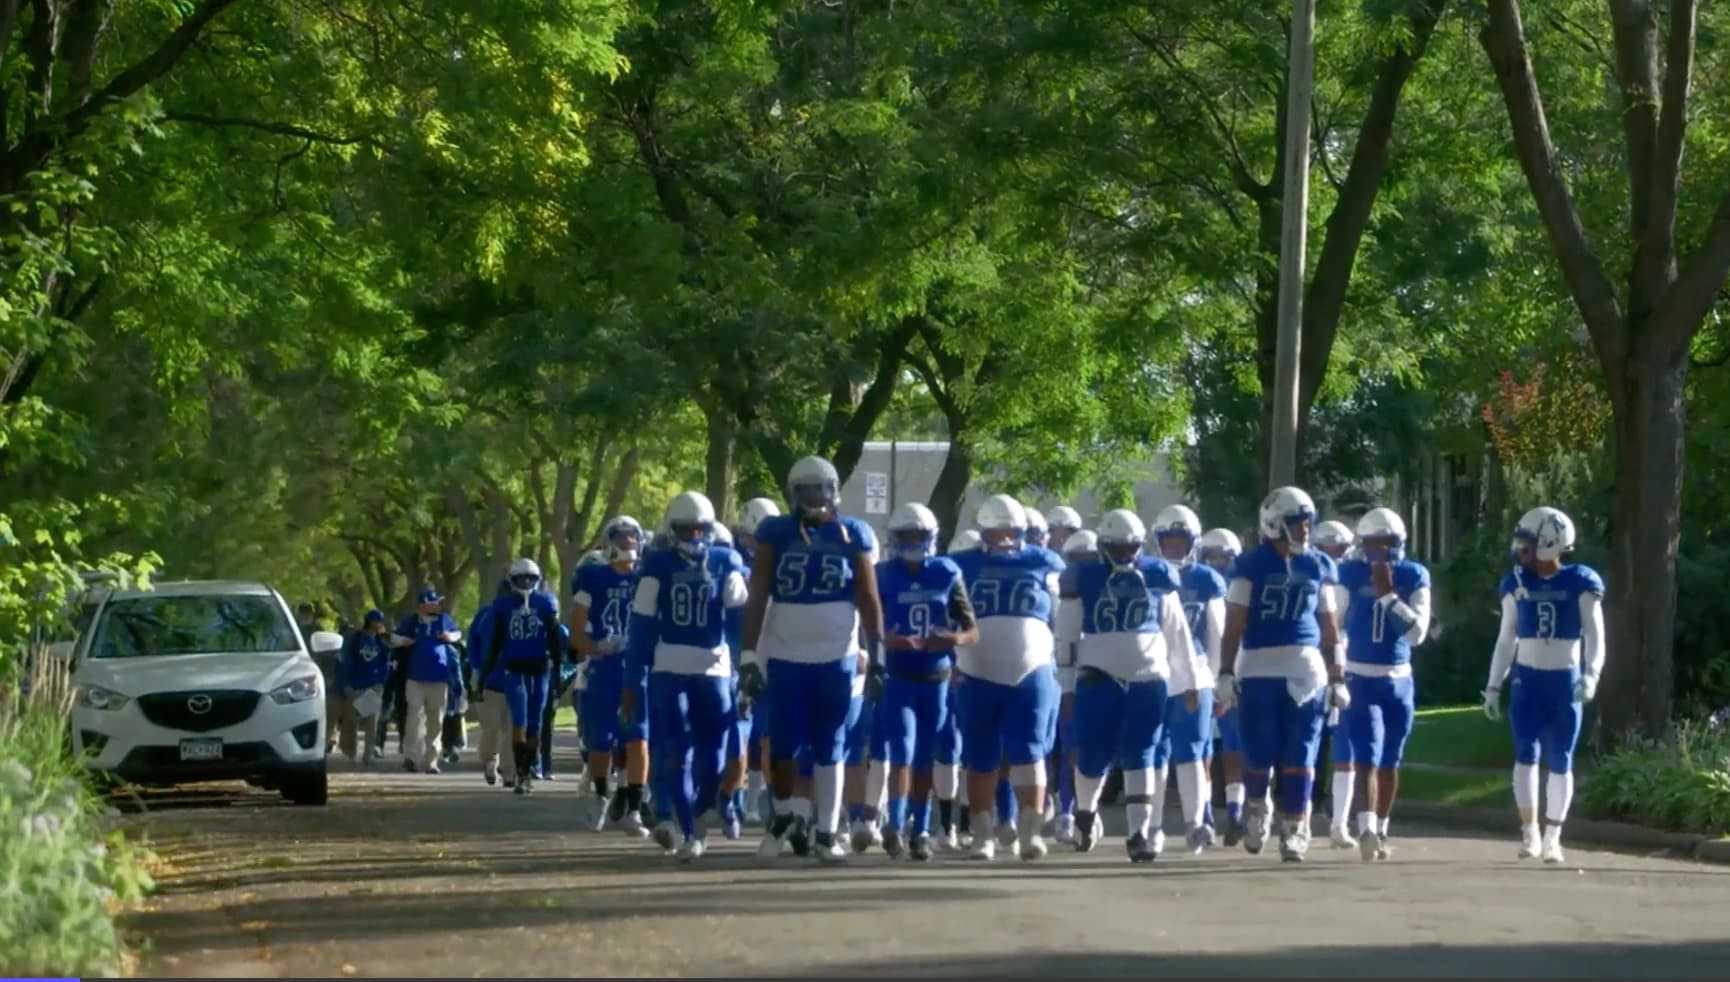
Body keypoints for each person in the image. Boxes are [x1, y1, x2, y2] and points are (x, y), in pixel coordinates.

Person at [742, 455, 884, 865]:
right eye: (805, 490)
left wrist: (877, 657)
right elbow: (759, 595)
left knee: (831, 745)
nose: (814, 497)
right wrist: (749, 655)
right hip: (785, 653)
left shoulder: (852, 533)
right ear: (792, 494)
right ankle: (783, 816)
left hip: (836, 657)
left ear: (834, 490)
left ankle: (826, 831)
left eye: (820, 488)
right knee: (783, 744)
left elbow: (870, 598)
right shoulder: (777, 533)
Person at [1216, 486, 1345, 862]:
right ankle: (1257, 809)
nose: (1305, 530)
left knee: (1300, 753)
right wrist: (1225, 670)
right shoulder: (1250, 565)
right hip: (1258, 665)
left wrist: (1338, 676)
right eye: (1296, 523)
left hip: (1305, 668)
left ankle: (1295, 826)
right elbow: (1234, 624)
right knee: (1258, 751)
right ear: (1274, 525)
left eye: (1307, 522)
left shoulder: (1318, 564)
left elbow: (1330, 627)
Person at [1058, 509, 1196, 861]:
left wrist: (1189, 680)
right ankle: (1086, 814)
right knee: (1092, 754)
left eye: (1129, 547)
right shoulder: (1084, 576)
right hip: (1097, 675)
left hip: (1148, 677)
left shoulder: (1157, 574)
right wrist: (1067, 687)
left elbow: (1177, 632)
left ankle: (1139, 834)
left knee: (1142, 753)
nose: (1124, 555)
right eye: (1117, 548)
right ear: (1103, 546)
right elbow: (1067, 636)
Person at [624, 492, 748, 862]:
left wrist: (748, 669)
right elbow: (642, 627)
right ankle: (691, 830)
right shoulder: (656, 564)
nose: (694, 536)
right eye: (686, 529)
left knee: (712, 753)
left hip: (715, 668)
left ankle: (703, 815)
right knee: (674, 751)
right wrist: (633, 680)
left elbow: (740, 624)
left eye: (700, 529)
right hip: (669, 666)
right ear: (671, 529)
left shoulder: (727, 561)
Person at [1482, 506, 1603, 865]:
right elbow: (1506, 639)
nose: (1521, 549)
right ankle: (1530, 832)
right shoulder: (1517, 581)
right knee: (1526, 753)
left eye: (1529, 543)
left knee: (1561, 758)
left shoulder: (1580, 580)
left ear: (1551, 543)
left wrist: (1592, 673)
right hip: (1528, 679)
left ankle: (1554, 836)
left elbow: (1596, 634)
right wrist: (1492, 685)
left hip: (1565, 679)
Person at [949, 493, 1065, 861]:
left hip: (1031, 669)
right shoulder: (960, 564)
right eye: (995, 531)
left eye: (1009, 531)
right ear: (983, 531)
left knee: (1030, 752)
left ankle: (1030, 831)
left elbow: (1060, 617)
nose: (1003, 539)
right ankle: (983, 833)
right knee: (980, 756)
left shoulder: (1043, 562)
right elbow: (946, 614)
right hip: (976, 670)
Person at [872, 502, 978, 861]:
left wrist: (950, 638)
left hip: (936, 678)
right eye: (907, 536)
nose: (914, 542)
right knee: (901, 750)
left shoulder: (947, 571)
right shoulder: (882, 573)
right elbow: (868, 625)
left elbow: (971, 631)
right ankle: (897, 823)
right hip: (899, 676)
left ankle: (920, 828)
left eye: (919, 536)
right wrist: (888, 639)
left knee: (924, 758)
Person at [1339, 507, 1432, 861]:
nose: (1379, 550)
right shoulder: (1347, 573)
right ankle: (1365, 829)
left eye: (1386, 543)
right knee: (1366, 755)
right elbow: (1333, 621)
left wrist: (1388, 596)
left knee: (1391, 760)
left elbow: (1417, 634)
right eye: (1373, 543)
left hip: (1398, 677)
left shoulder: (1413, 575)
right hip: (1359, 675)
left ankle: (1381, 827)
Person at [1151, 504, 1226, 855]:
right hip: (1152, 674)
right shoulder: (1146, 574)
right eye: (1170, 541)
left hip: (1193, 675)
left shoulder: (1206, 579)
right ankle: (1150, 826)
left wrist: (1212, 679)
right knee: (1152, 754)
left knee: (1192, 753)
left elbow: (1217, 635)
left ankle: (1196, 823)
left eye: (1182, 541)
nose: (1175, 548)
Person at [571, 516, 648, 832]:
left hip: (639, 668)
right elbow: (576, 631)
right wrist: (598, 647)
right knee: (601, 741)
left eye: (633, 537)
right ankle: (601, 795)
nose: (629, 542)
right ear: (609, 541)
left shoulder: (648, 577)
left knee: (638, 737)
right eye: (622, 536)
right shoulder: (592, 576)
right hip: (605, 668)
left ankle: (634, 808)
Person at [482, 559, 563, 795]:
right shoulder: (503, 605)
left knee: (535, 724)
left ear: (537, 579)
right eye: (521, 578)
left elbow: (555, 639)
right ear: (512, 580)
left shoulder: (546, 602)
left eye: (530, 578)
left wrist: (558, 671)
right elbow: (496, 641)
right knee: (520, 721)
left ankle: (527, 771)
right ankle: (521, 773)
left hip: (540, 670)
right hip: (514, 669)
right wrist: (486, 673)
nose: (526, 582)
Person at [1048, 528, 1097, 845]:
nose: (1082, 565)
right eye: (1076, 559)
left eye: (1088, 558)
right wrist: (1064, 684)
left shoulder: (1106, 588)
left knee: (1093, 751)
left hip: (1098, 676)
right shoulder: (1058, 590)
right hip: (1067, 675)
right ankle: (1065, 810)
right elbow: (1059, 641)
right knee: (1069, 750)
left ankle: (1087, 809)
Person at [734, 497, 781, 823]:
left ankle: (762, 799)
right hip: (742, 649)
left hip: (775, 648)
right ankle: (740, 798)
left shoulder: (782, 560)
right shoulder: (734, 562)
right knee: (743, 729)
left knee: (770, 731)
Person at [1312, 519, 1356, 847]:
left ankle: (1330, 800)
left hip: (1346, 661)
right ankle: (1306, 797)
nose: (1334, 555)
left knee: (1338, 733)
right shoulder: (1311, 579)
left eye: (1339, 549)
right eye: (1329, 549)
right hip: (1315, 661)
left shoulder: (1350, 578)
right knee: (1312, 734)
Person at [392, 589, 462, 773]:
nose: (437, 606)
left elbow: (458, 634)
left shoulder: (443, 619)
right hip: (415, 677)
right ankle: (411, 757)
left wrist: (450, 637)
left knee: (436, 720)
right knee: (414, 717)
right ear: (423, 605)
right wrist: (403, 640)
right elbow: (394, 637)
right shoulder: (411, 621)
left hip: (439, 677)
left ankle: (431, 760)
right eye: (433, 603)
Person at [470, 580, 517, 787]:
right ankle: (490, 760)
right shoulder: (485, 615)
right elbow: (473, 643)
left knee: (512, 729)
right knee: (491, 727)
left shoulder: (523, 616)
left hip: (516, 681)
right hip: (490, 681)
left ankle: (509, 772)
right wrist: (476, 670)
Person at [340, 611, 393, 763]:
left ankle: (368, 755)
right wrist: (347, 683)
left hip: (373, 687)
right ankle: (351, 752)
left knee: (371, 722)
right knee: (351, 722)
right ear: (369, 622)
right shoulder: (356, 639)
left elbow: (385, 664)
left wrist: (381, 682)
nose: (380, 624)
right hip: (355, 686)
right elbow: (347, 661)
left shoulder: (381, 643)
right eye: (377, 621)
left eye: (381, 622)